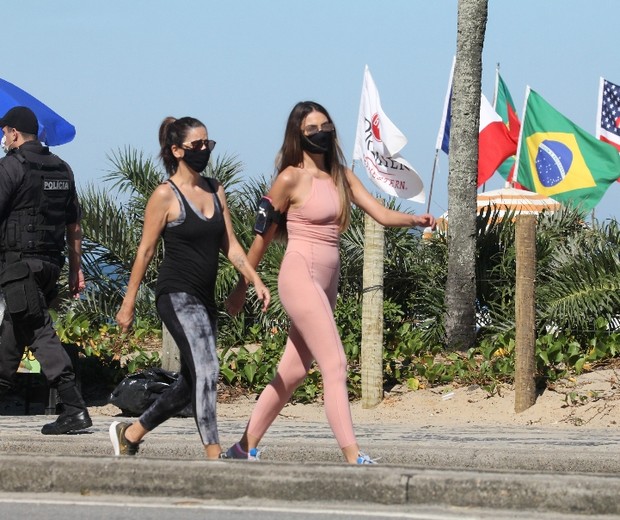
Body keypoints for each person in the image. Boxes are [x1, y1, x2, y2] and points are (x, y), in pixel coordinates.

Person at [224, 101, 436, 464]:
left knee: (292, 371)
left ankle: (243, 447)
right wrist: (243, 284)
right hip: (299, 274)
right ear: (299, 135)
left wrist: (414, 220)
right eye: (312, 129)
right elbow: (262, 235)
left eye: (326, 126)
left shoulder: (341, 175)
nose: (322, 133)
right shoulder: (290, 178)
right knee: (335, 364)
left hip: (328, 280)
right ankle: (353, 455)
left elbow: (381, 214)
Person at [110, 116, 270, 460]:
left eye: (207, 144)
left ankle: (131, 433)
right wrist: (129, 301)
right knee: (209, 370)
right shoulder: (165, 195)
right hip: (175, 293)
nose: (203, 151)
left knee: (189, 383)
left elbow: (231, 245)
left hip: (204, 297)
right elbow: (146, 250)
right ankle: (214, 454)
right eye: (196, 145)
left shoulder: (215, 189)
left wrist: (253, 279)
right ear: (177, 150)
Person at [0, 106, 90, 434]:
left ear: (13, 133)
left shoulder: (10, 168)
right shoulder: (62, 168)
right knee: (16, 326)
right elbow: (74, 226)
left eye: (4, 133)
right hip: (51, 266)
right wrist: (76, 270)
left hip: (19, 266)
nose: (3, 139)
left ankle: (74, 407)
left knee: (37, 329)